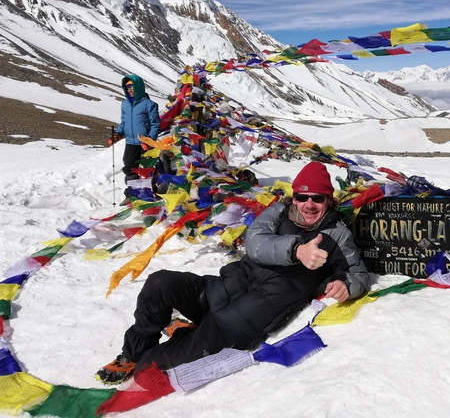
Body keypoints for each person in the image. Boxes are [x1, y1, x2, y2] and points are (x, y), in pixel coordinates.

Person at [96, 161, 371, 384]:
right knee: (160, 282)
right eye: (302, 196)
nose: (309, 204)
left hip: (236, 326)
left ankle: (178, 338)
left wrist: (347, 285)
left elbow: (358, 274)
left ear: (329, 200)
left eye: (317, 198)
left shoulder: (338, 236)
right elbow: (255, 242)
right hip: (217, 290)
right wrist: (298, 250)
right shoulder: (278, 212)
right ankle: (131, 353)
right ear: (294, 197)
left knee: (148, 371)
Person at [110, 74, 161, 203]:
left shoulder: (149, 104)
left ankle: (150, 195)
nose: (130, 90)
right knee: (129, 167)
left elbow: (155, 124)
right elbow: (123, 122)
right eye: (127, 87)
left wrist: (149, 141)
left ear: (138, 87)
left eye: (132, 87)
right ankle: (132, 195)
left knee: (147, 169)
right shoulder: (125, 105)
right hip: (131, 142)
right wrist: (118, 134)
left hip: (145, 143)